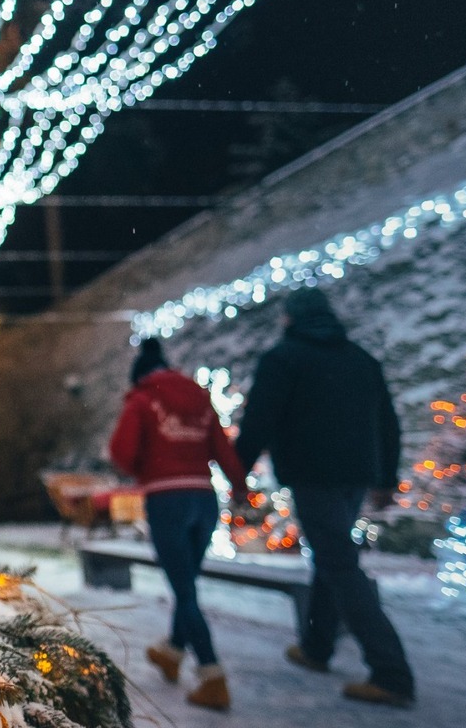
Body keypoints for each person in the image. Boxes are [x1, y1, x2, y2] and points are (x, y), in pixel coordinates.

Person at [236, 287, 415, 707]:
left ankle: (392, 673)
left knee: (338, 562)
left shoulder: (283, 359)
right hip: (356, 475)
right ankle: (317, 647)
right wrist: (385, 478)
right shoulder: (361, 360)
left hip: (313, 474)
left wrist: (236, 470)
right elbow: (387, 422)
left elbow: (260, 418)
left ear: (290, 319)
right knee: (331, 556)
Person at [109, 337, 248, 711]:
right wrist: (238, 485)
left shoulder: (141, 399)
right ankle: (172, 650)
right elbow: (222, 447)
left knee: (184, 589)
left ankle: (212, 675)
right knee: (186, 581)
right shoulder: (200, 398)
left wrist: (146, 470)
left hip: (167, 500)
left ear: (141, 376)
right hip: (204, 499)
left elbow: (121, 451)